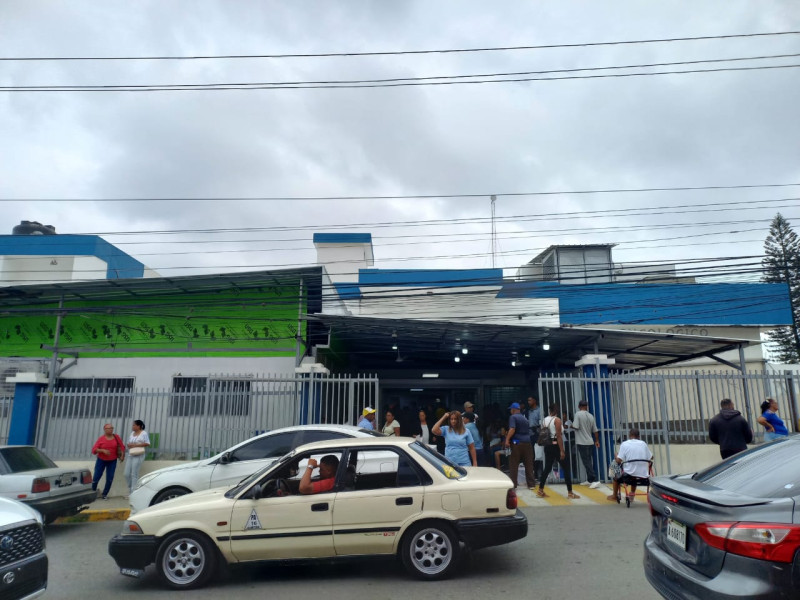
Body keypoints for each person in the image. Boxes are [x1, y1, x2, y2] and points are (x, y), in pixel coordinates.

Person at [537, 404, 579, 500]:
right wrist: (562, 450)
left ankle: (540, 490)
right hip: (555, 445)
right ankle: (570, 492)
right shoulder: (557, 420)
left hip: (547, 446)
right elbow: (559, 436)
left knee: (547, 467)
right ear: (556, 410)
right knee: (566, 467)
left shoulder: (544, 420)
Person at [607, 428, 653, 503]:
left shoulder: (624, 444)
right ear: (638, 436)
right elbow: (651, 457)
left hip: (629, 474)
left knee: (615, 471)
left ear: (629, 435)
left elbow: (618, 460)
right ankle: (632, 494)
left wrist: (616, 455)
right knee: (635, 471)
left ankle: (614, 495)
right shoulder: (643, 444)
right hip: (643, 474)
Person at [504, 402, 536, 488]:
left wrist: (507, 440)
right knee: (528, 464)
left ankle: (513, 484)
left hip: (516, 442)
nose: (510, 411)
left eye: (511, 409)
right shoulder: (524, 418)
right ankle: (531, 484)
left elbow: (512, 429)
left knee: (514, 463)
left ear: (514, 410)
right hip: (527, 442)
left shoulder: (513, 417)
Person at [91, 423, 125, 500]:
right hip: (101, 460)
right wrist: (102, 450)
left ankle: (104, 494)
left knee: (110, 478)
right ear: (105, 430)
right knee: (96, 477)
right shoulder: (101, 439)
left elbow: (122, 446)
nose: (111, 429)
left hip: (112, 461)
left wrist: (122, 455)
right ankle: (92, 493)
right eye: (109, 428)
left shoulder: (116, 437)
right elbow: (94, 450)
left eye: (112, 428)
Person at [572, 400, 601, 488]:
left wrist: (569, 425)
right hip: (590, 442)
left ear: (579, 406)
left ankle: (594, 479)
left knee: (586, 461)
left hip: (582, 442)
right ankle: (589, 480)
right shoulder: (591, 416)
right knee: (588, 460)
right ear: (586, 406)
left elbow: (576, 426)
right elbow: (595, 430)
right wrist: (597, 441)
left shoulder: (578, 414)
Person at [124, 419, 151, 495]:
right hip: (131, 454)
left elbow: (147, 443)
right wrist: (129, 445)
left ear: (138, 426)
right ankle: (130, 488)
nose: (132, 426)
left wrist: (135, 445)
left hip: (139, 455)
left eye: (134, 425)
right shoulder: (132, 433)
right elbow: (129, 442)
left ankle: (133, 492)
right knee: (126, 473)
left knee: (134, 474)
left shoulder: (143, 433)